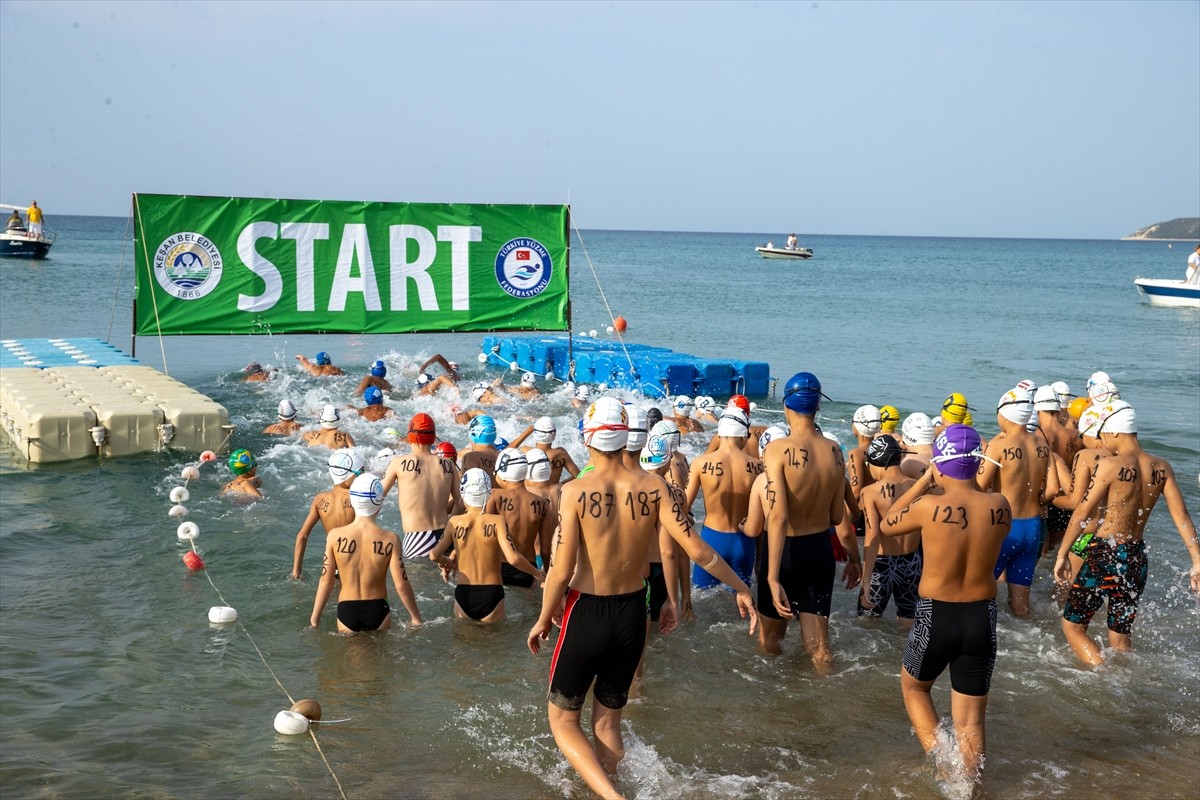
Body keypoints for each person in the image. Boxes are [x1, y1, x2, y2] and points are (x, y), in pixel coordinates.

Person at [526, 397, 757, 800]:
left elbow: (561, 571)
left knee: (563, 721)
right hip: (634, 613)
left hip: (587, 611)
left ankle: (612, 797)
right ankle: (614, 787)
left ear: (588, 439)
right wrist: (741, 588)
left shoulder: (575, 491)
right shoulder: (657, 487)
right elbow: (698, 551)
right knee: (607, 724)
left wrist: (544, 617)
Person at [880, 424, 1012, 782]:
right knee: (970, 720)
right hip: (981, 617)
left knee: (914, 688)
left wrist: (924, 482)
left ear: (939, 464)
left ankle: (944, 766)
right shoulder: (1000, 507)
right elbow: (975, 502)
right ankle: (968, 786)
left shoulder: (927, 506)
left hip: (936, 614)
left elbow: (887, 523)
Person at [1055, 400, 1200, 665]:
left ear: (1113, 433)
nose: (1103, 442)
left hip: (1105, 553)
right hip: (1136, 558)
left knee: (1073, 626)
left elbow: (1081, 513)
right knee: (1120, 638)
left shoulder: (1110, 465)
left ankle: (1104, 678)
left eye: (1103, 436)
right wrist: (1197, 560)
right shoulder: (1162, 467)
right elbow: (1182, 517)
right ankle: (1124, 682)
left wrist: (1062, 554)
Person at [760, 372, 861, 662]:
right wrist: (855, 559)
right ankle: (827, 701)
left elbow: (778, 517)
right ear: (818, 406)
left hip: (784, 552)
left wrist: (771, 577)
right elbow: (835, 515)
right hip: (819, 550)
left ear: (786, 407)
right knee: (819, 649)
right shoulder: (834, 451)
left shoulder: (776, 450)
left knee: (770, 645)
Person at [977, 383, 1057, 618]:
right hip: (1032, 528)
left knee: (981, 595)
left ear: (1004, 414)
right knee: (1021, 605)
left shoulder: (998, 445)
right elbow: (1053, 488)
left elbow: (978, 488)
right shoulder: (1041, 444)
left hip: (1004, 526)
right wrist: (1034, 498)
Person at [309, 474, 422, 632]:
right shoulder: (390, 539)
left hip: (346, 610)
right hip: (378, 609)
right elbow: (401, 584)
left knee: (350, 656)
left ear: (353, 501)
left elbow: (326, 581)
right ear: (379, 503)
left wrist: (315, 619)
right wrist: (415, 617)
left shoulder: (334, 536)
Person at [430, 469, 543, 622]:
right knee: (495, 643)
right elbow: (513, 558)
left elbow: (434, 555)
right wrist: (538, 574)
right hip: (492, 593)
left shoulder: (454, 522)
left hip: (464, 593)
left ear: (463, 493)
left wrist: (447, 563)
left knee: (463, 642)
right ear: (488, 492)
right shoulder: (498, 521)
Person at [686, 408, 761, 589]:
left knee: (703, 596)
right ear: (744, 436)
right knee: (742, 600)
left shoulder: (700, 463)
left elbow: (681, 507)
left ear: (719, 434)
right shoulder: (759, 467)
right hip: (744, 543)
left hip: (712, 540)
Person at [381, 413, 462, 560]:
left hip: (417, 539)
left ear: (410, 436)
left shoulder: (398, 463)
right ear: (433, 437)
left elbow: (376, 497)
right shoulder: (448, 464)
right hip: (446, 536)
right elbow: (462, 504)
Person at [858, 435, 920, 626]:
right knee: (909, 622)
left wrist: (866, 580)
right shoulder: (917, 486)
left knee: (866, 624)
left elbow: (873, 536)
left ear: (880, 464)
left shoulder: (870, 492)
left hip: (882, 566)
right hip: (912, 563)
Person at [289, 449, 362, 578]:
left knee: (333, 592)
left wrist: (296, 572)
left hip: (331, 561)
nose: (362, 476)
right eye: (360, 472)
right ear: (348, 475)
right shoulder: (358, 497)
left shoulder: (319, 499)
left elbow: (302, 536)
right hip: (355, 560)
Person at [489, 448, 555, 586]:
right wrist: (547, 576)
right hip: (528, 570)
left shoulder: (493, 496)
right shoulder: (543, 504)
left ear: (502, 473)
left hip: (497, 566)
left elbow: (483, 535)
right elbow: (545, 549)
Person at [513, 416, 580, 484]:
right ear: (554, 435)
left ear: (534, 434)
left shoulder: (524, 451)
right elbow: (578, 476)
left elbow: (506, 451)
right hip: (552, 494)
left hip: (529, 494)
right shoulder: (560, 454)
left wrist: (527, 431)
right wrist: (559, 486)